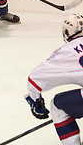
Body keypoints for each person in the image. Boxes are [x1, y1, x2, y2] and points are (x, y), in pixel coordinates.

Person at [25, 14, 83, 145]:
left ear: (67, 32)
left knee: (58, 106)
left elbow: (34, 80)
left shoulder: (66, 52)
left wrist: (36, 103)